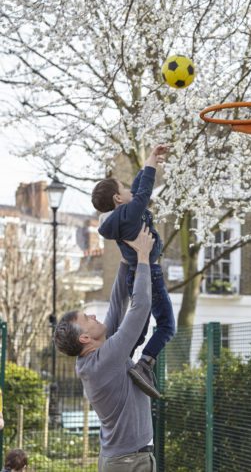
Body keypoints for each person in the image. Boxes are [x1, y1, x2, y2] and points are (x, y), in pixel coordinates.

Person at [54, 225, 156, 472]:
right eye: (86, 318)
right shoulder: (105, 359)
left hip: (121, 459)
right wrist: (142, 258)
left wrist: (123, 262)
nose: (92, 314)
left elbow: (116, 309)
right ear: (85, 338)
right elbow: (139, 307)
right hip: (129, 461)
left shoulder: (92, 360)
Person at [91, 144, 175, 399]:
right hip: (150, 275)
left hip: (136, 275)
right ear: (118, 199)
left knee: (140, 329)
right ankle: (144, 364)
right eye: (123, 189)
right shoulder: (129, 215)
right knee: (167, 325)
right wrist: (150, 165)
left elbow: (137, 190)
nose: (129, 190)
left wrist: (151, 159)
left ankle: (123, 360)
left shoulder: (120, 218)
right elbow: (143, 191)